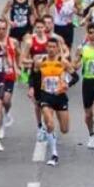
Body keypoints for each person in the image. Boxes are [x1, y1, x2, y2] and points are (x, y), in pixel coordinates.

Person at [36, 38, 74, 166]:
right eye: (49, 47)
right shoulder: (41, 62)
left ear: (58, 49)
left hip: (60, 97)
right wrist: (33, 90)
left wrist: (66, 84)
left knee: (64, 129)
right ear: (46, 48)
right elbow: (34, 77)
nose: (51, 49)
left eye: (54, 47)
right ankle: (54, 153)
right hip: (46, 96)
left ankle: (52, 135)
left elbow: (76, 77)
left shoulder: (62, 62)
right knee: (50, 123)